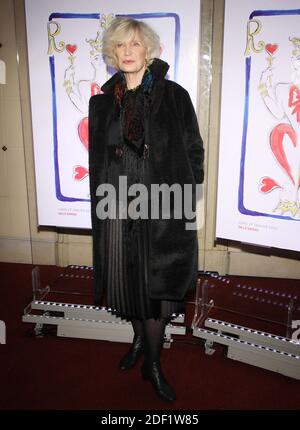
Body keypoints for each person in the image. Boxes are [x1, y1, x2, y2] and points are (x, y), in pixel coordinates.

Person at [88, 17, 204, 402]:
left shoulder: (174, 96)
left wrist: (182, 190)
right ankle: (139, 340)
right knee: (126, 284)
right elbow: (98, 160)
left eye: (134, 45)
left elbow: (193, 149)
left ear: (148, 50)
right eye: (120, 46)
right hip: (117, 206)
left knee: (156, 291)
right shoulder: (102, 103)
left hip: (162, 206)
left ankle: (153, 363)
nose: (126, 52)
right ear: (112, 53)